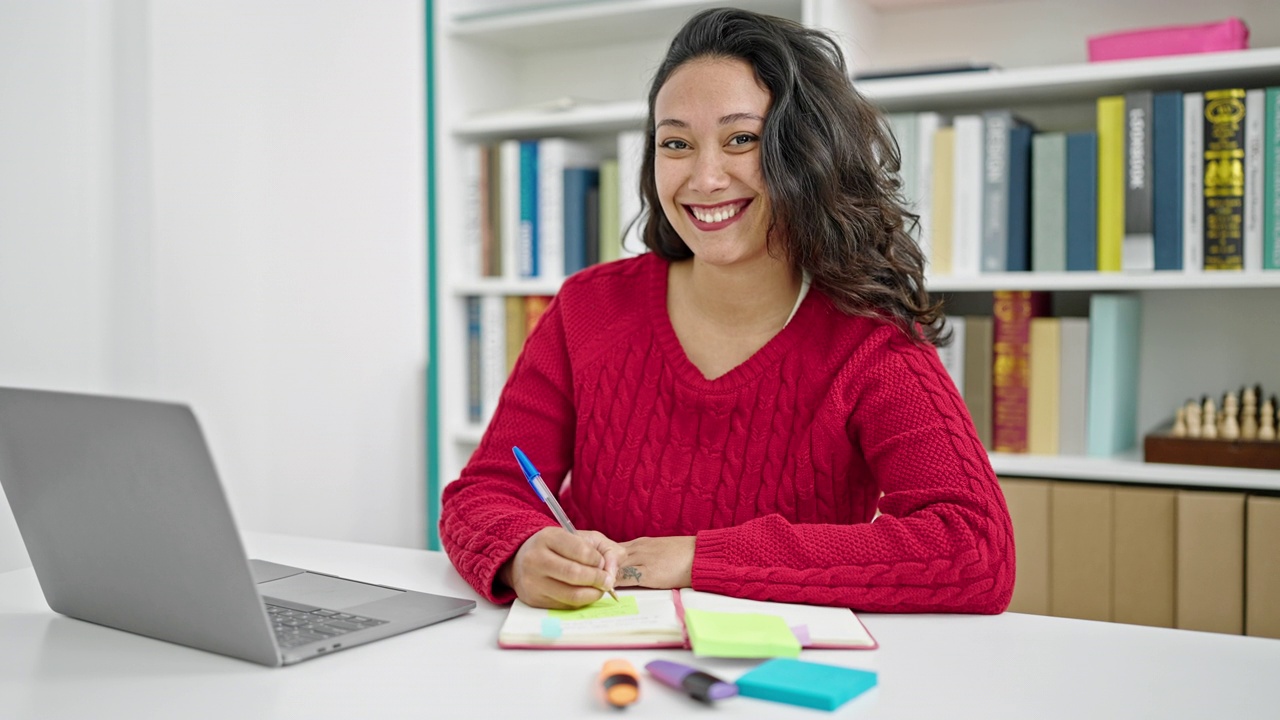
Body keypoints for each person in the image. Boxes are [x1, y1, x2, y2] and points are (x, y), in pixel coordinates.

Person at [441, 7, 1014, 614]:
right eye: (677, 143)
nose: (705, 177)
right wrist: (522, 549)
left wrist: (696, 558)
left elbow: (976, 549)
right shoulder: (589, 307)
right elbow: (487, 489)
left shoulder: (870, 339)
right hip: (598, 659)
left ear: (807, 153)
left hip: (781, 677)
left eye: (742, 139)